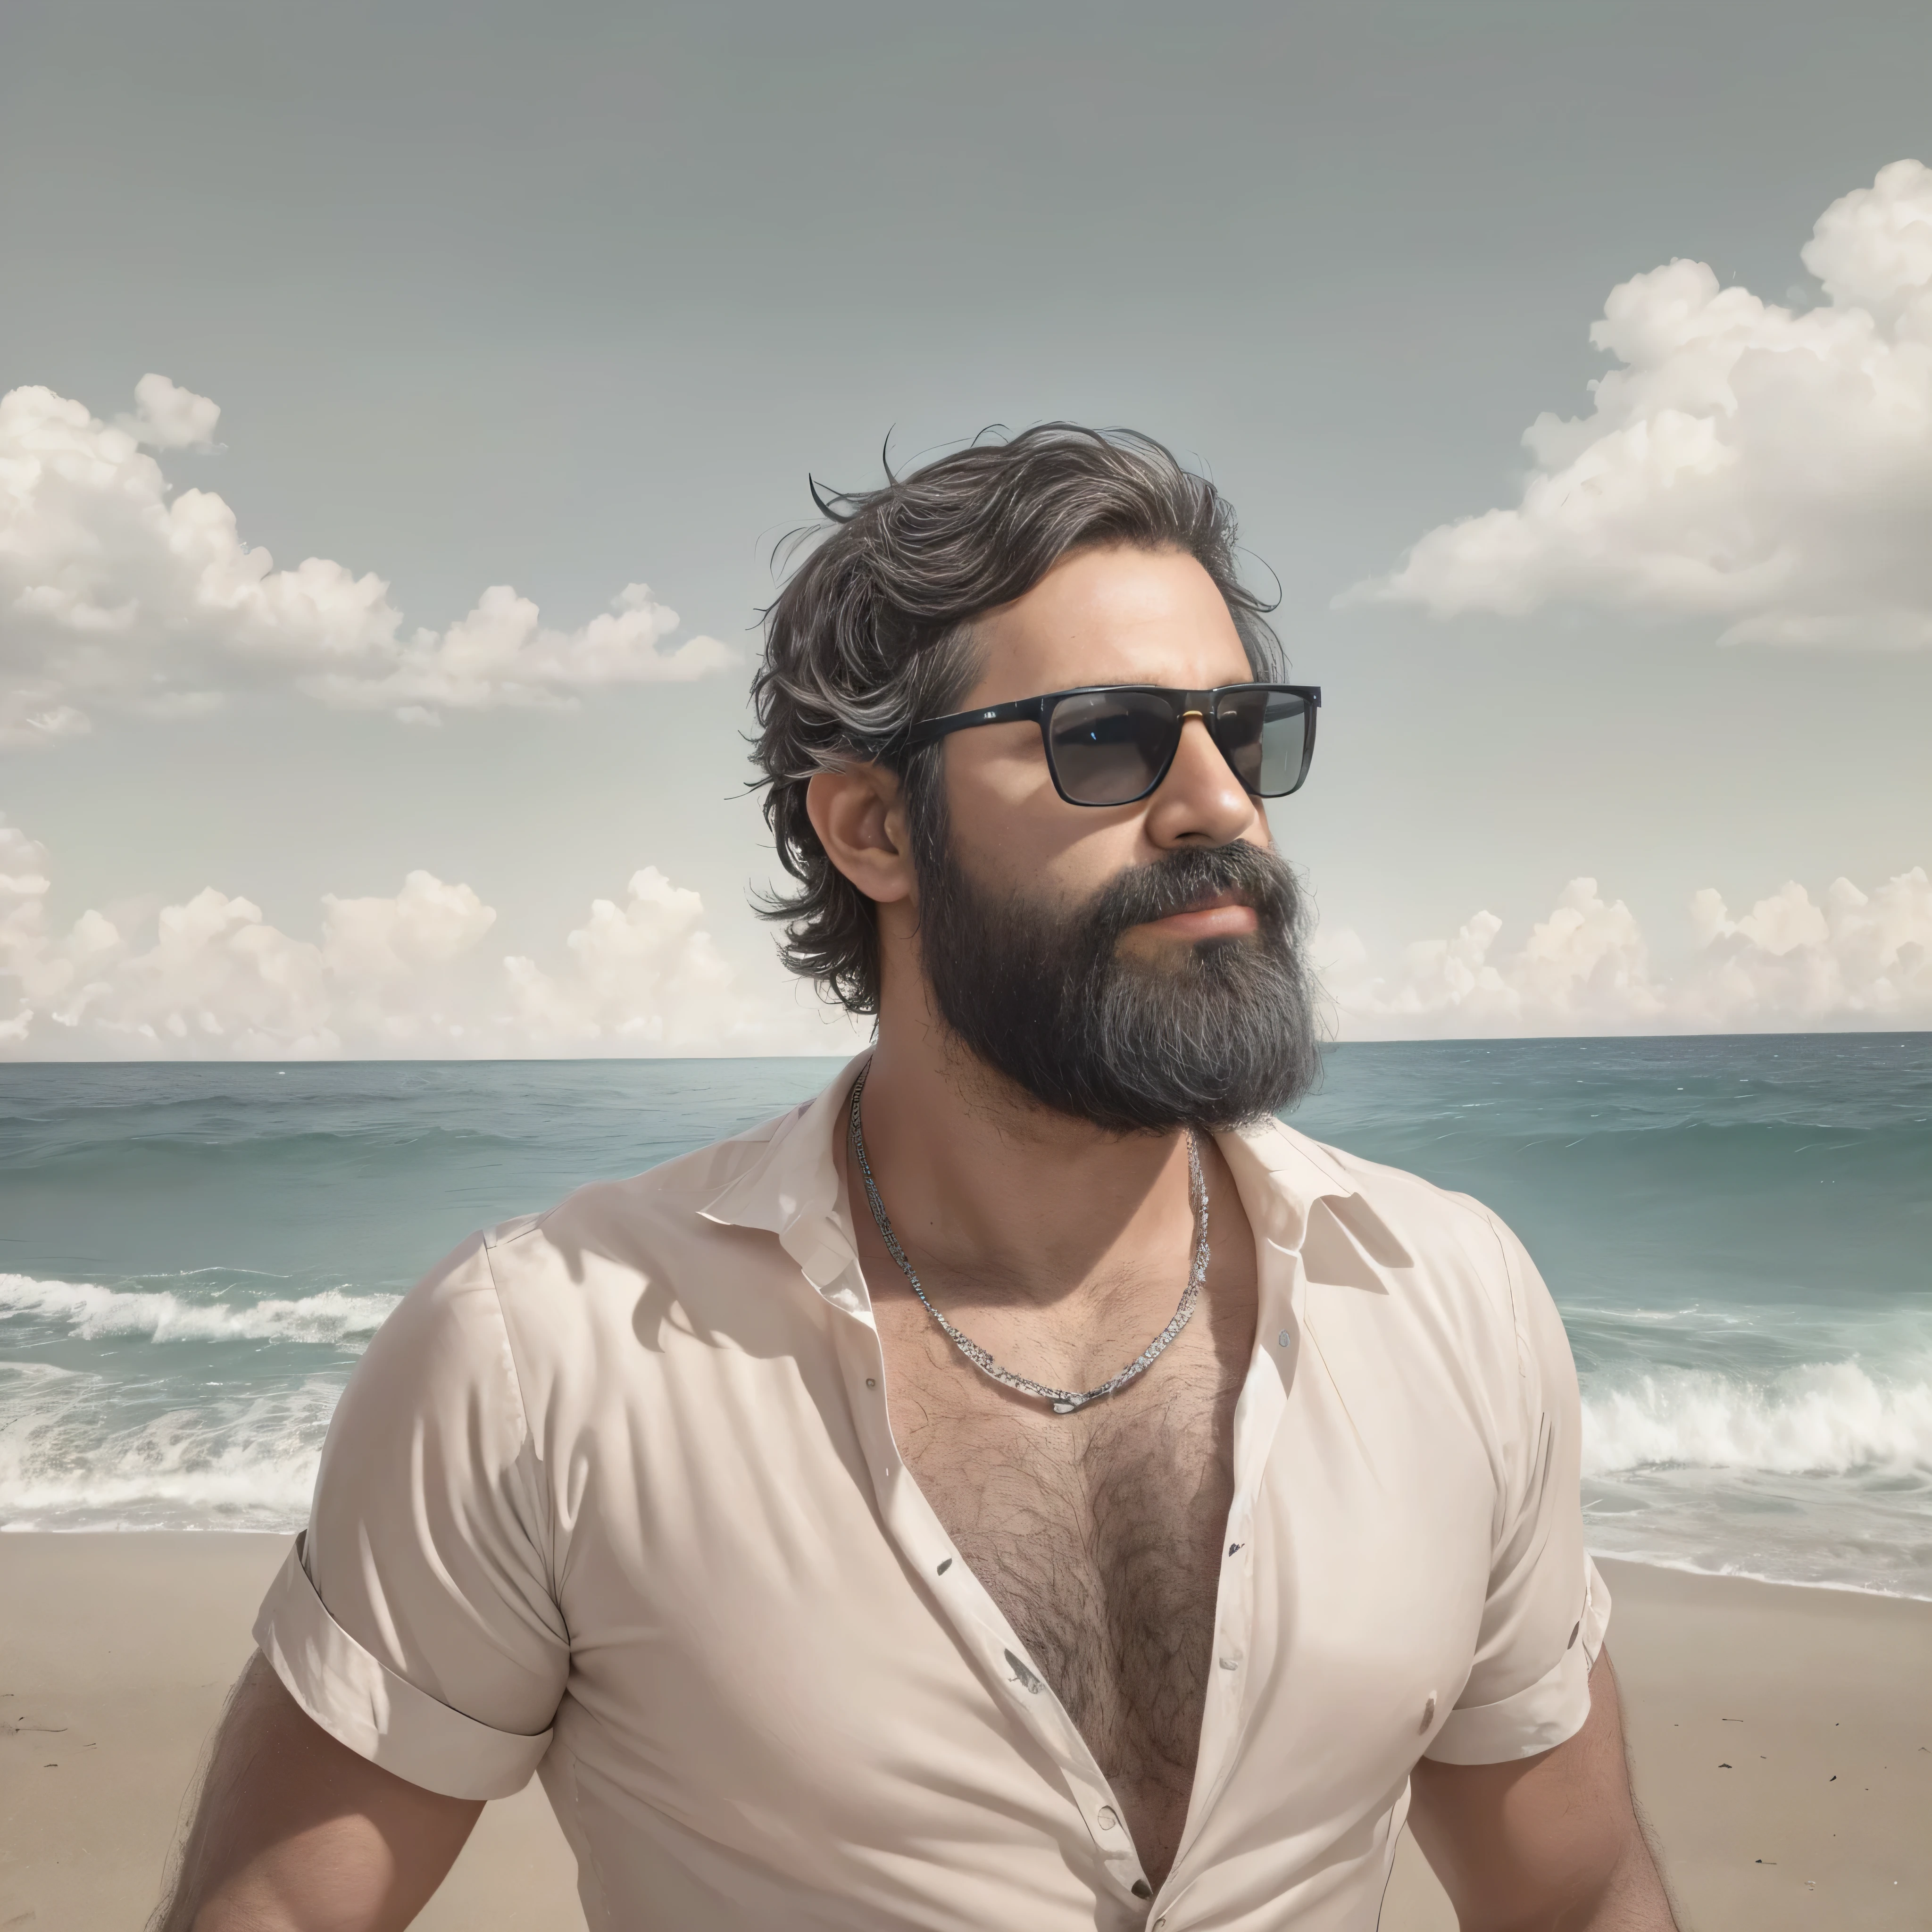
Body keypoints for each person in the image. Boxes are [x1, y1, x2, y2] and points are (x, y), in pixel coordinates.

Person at [158, 427, 1676, 1931]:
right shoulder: (548, 1355)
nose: (1220, 805)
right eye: (1109, 738)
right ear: (875, 826)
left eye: (1246, 729)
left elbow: (1580, 1893)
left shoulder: (1447, 1299)